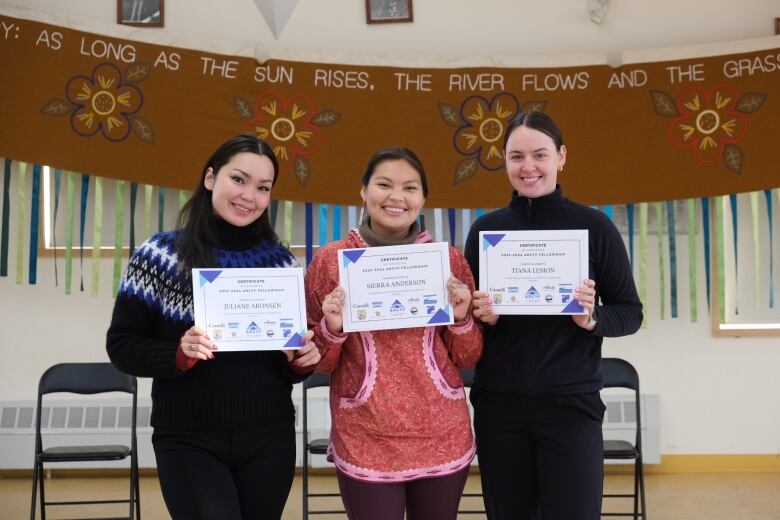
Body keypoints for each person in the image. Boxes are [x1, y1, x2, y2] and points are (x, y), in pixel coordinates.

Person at [106, 133, 320, 520]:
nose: (248, 196)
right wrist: (177, 353)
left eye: (263, 187)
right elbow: (121, 346)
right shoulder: (159, 255)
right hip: (188, 438)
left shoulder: (282, 263)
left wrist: (302, 360)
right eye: (238, 179)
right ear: (210, 178)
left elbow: (288, 367)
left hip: (269, 437)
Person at [463, 111, 643, 520]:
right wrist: (482, 317)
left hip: (571, 405)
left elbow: (631, 313)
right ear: (504, 161)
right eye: (516, 156)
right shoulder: (485, 231)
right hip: (499, 408)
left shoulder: (594, 226)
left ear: (561, 157)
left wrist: (592, 319)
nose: (528, 167)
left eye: (540, 154)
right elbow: (467, 322)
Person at [305, 147, 483, 520]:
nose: (396, 197)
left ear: (423, 198)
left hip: (442, 434)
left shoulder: (448, 259)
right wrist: (333, 328)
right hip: (365, 433)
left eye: (410, 187)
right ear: (364, 191)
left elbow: (468, 357)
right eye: (384, 184)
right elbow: (318, 363)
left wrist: (462, 317)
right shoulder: (330, 261)